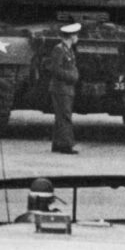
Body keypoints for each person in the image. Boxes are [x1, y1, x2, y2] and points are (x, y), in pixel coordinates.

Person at [45, 23, 81, 154]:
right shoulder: (59, 49)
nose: (77, 37)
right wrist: (71, 77)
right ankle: (66, 145)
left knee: (61, 116)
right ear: (71, 36)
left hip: (66, 88)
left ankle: (57, 144)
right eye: (76, 35)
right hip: (61, 88)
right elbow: (55, 69)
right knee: (65, 116)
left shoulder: (69, 49)